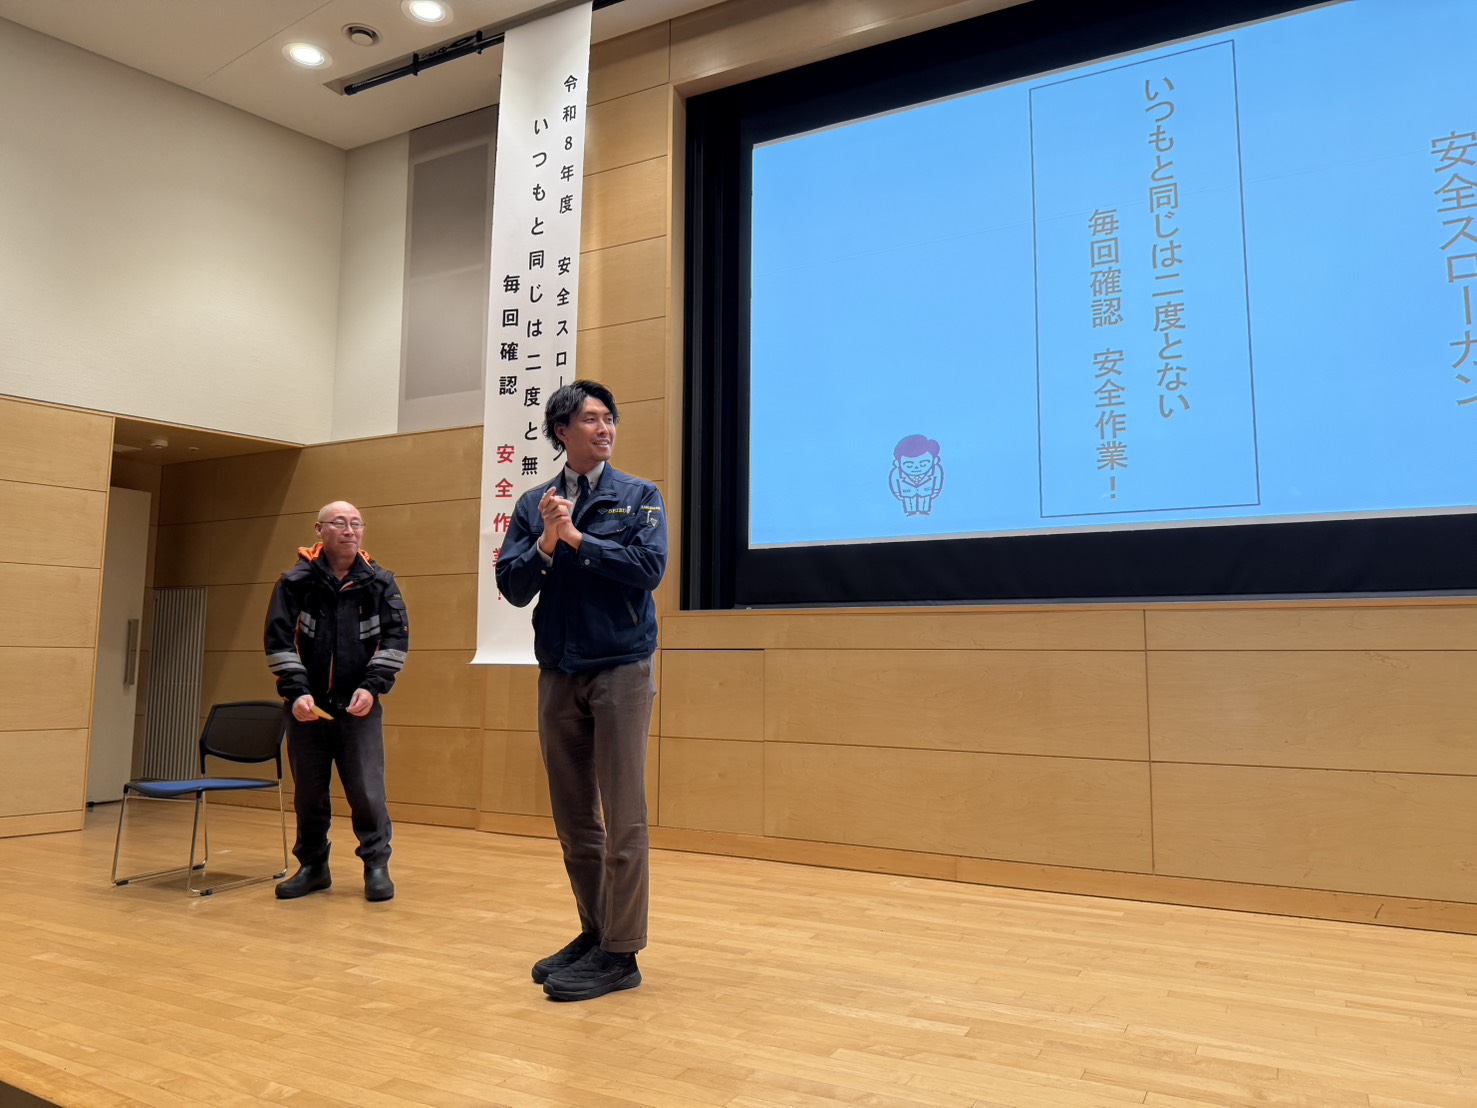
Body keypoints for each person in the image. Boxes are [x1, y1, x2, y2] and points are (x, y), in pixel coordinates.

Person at [496, 380, 667, 1001]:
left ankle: (623, 952)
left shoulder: (639, 496)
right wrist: (546, 540)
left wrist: (577, 540)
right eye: (590, 419)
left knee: (624, 818)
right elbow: (513, 587)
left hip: (621, 668)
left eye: (609, 418)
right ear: (561, 431)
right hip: (559, 671)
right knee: (574, 819)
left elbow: (648, 570)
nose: (605, 428)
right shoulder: (535, 503)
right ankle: (596, 933)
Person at [263, 501, 410, 902]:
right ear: (320, 530)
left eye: (356, 524)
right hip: (306, 709)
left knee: (367, 792)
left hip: (359, 707)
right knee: (309, 793)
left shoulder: (380, 582)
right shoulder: (294, 582)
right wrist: (297, 692)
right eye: (340, 523)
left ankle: (376, 866)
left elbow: (395, 640)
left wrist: (372, 687)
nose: (350, 530)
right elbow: (279, 641)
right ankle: (313, 867)